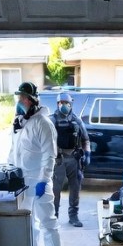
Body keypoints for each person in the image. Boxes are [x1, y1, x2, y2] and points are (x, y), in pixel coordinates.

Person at [9, 81, 65, 246]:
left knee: (47, 218)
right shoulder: (20, 122)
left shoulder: (43, 123)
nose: (20, 101)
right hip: (21, 180)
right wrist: (10, 170)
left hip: (38, 179)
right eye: (19, 98)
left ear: (32, 101)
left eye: (23, 98)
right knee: (28, 219)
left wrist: (43, 179)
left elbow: (50, 155)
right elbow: (13, 150)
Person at [51, 93, 91, 227]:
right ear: (57, 104)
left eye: (65, 102)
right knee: (55, 190)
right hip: (58, 160)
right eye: (60, 102)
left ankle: (73, 216)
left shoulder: (77, 120)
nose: (63, 105)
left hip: (74, 159)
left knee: (75, 188)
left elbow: (86, 140)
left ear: (70, 104)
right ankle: (54, 216)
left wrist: (87, 154)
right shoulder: (51, 120)